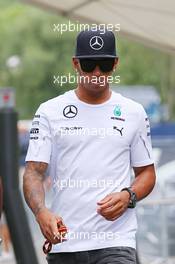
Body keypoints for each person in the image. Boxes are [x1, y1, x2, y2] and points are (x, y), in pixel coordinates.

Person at [23, 29, 156, 264]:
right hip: (65, 243)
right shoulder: (49, 111)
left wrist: (129, 196)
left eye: (104, 64)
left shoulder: (133, 112)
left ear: (115, 64)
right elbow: (34, 171)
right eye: (89, 64)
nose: (96, 72)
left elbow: (146, 173)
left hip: (116, 243)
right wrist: (41, 213)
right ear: (75, 64)